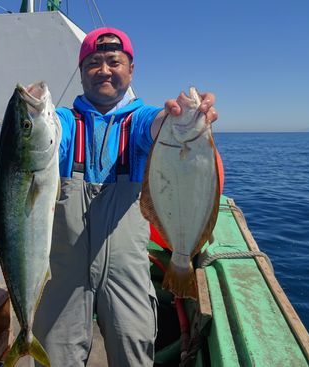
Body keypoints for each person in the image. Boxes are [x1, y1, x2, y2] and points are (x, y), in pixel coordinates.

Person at [32, 27, 218, 366]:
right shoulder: (62, 121)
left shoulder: (141, 118)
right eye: (93, 62)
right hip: (63, 273)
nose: (104, 70)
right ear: (81, 71)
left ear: (131, 70)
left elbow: (159, 123)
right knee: (53, 355)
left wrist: (181, 117)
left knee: (134, 350)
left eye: (114, 62)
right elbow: (44, 135)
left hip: (126, 270)